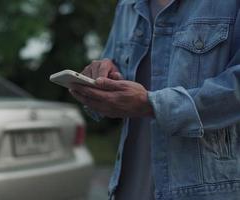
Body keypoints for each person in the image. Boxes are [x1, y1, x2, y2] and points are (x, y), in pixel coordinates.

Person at [69, 0, 240, 200]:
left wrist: (151, 104)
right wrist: (101, 79)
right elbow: (114, 73)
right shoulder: (127, 6)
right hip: (128, 188)